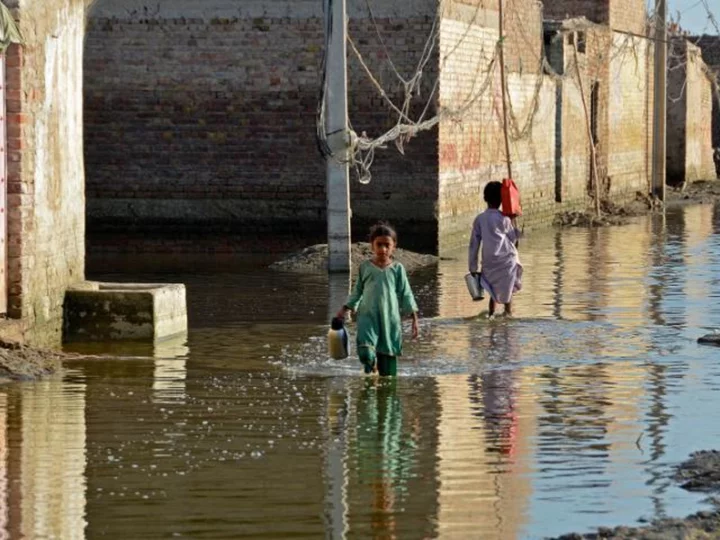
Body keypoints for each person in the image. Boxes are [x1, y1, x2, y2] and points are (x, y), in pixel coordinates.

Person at [336, 222, 419, 376]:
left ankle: (383, 393)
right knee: (366, 354)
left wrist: (414, 317)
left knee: (388, 370)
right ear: (372, 246)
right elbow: (357, 291)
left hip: (390, 318)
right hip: (367, 316)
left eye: (387, 245)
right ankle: (372, 368)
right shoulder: (365, 267)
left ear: (394, 246)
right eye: (379, 245)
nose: (383, 249)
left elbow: (405, 292)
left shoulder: (397, 268)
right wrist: (345, 308)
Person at [468, 181, 523, 317]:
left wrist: (473, 267)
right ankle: (508, 314)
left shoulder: (480, 219)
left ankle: (491, 315)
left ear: (485, 198)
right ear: (502, 200)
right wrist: (513, 220)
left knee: (493, 291)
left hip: (489, 262)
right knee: (507, 290)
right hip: (506, 261)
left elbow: (474, 245)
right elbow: (513, 239)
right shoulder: (504, 219)